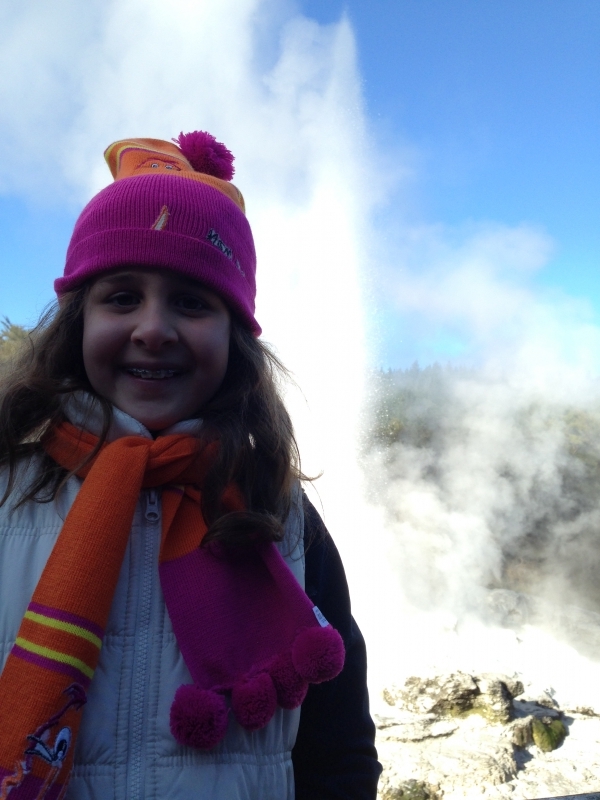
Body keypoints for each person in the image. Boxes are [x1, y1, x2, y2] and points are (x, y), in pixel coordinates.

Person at [0, 130, 381, 799]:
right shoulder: (8, 496)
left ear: (234, 337)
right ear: (77, 320)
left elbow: (337, 753)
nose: (153, 328)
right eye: (122, 297)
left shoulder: (280, 516)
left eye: (192, 302)